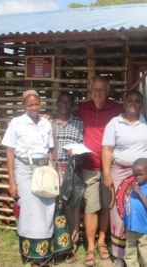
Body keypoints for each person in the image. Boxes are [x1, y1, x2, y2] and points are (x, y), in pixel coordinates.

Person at [2, 90, 72, 266]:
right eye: (30, 105)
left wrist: (52, 173)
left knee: (49, 208)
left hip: (44, 169)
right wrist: (12, 182)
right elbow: (10, 153)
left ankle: (50, 251)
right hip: (25, 169)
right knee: (31, 211)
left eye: (36, 104)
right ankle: (34, 256)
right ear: (24, 106)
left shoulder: (45, 123)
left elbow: (49, 150)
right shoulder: (17, 123)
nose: (34, 108)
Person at [102, 90, 147, 267]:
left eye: (137, 101)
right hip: (120, 171)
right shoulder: (114, 123)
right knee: (120, 212)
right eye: (130, 100)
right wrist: (107, 175)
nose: (133, 104)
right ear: (124, 103)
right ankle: (120, 255)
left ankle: (143, 255)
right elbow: (107, 150)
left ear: (142, 104)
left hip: (144, 174)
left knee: (142, 210)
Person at [75, 76, 124, 267]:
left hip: (110, 168)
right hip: (89, 166)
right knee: (90, 207)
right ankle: (89, 246)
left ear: (108, 91)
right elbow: (69, 123)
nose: (97, 92)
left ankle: (102, 242)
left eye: (101, 89)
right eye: (94, 88)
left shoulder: (117, 109)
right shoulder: (82, 108)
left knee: (106, 206)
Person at [50, 92, 84, 264]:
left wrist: (76, 152)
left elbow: (82, 144)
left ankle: (71, 246)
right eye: (62, 101)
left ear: (72, 105)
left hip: (70, 171)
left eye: (68, 102)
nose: (64, 104)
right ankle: (55, 245)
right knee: (52, 210)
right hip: (51, 171)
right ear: (57, 103)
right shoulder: (48, 123)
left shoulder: (78, 123)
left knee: (72, 210)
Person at [119, 158, 147, 267]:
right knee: (130, 254)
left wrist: (139, 192)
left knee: (145, 255)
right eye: (135, 174)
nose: (137, 177)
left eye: (141, 174)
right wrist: (124, 225)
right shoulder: (132, 188)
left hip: (144, 230)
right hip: (130, 228)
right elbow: (128, 207)